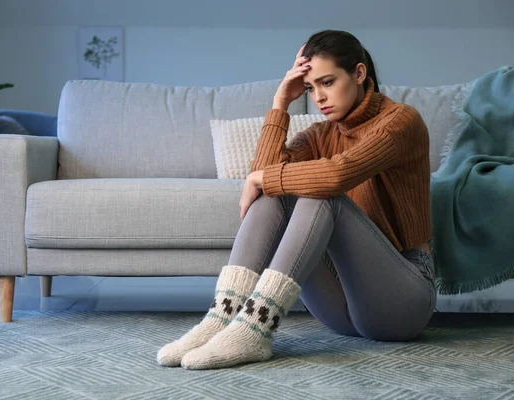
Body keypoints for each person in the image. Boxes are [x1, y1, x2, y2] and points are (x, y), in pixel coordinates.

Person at [157, 30, 436, 370]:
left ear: (359, 74)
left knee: (322, 194)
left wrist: (263, 177)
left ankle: (256, 327)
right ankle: (224, 316)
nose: (318, 97)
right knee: (279, 189)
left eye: (328, 82)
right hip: (341, 312)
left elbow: (338, 175)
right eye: (310, 88)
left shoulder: (400, 121)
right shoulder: (320, 134)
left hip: (401, 301)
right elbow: (264, 181)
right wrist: (280, 104)